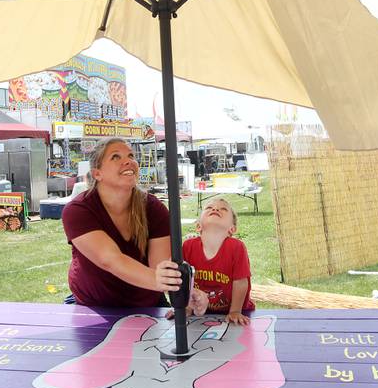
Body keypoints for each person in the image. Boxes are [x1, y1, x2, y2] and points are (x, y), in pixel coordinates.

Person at [62, 137, 206, 310]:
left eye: (131, 156)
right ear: (97, 173)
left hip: (148, 307)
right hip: (94, 308)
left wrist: (185, 294)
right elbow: (110, 260)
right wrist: (162, 282)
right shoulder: (78, 210)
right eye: (116, 157)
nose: (128, 161)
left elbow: (159, 267)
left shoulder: (153, 208)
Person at [181, 198, 254, 325]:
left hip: (235, 311)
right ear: (198, 226)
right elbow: (184, 280)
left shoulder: (236, 247)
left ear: (232, 229)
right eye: (209, 208)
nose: (215, 209)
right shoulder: (188, 247)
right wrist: (186, 307)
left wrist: (235, 311)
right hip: (199, 312)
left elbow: (241, 282)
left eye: (223, 209)